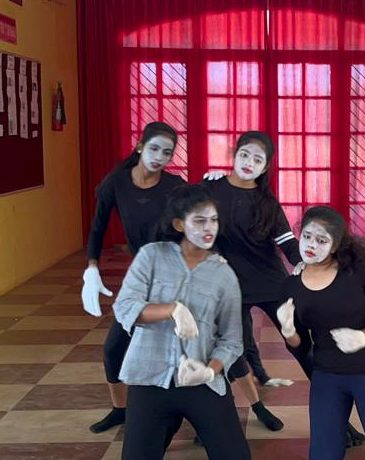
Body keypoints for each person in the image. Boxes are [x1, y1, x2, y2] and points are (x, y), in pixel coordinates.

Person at [113, 184, 250, 460]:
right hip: (149, 379)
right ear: (179, 224)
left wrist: (209, 372)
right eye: (199, 221)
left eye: (213, 220)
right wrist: (172, 309)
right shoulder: (152, 256)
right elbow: (124, 307)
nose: (208, 228)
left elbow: (232, 340)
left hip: (201, 382)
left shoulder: (224, 275)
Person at [277, 206, 365, 460]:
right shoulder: (291, 286)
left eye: (321, 241)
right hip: (327, 374)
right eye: (307, 236)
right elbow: (302, 347)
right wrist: (289, 332)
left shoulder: (360, 272)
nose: (311, 245)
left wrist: (364, 336)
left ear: (335, 246)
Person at [81, 122, 185, 433]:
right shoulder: (117, 183)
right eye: (154, 149)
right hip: (141, 277)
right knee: (114, 348)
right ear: (140, 146)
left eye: (166, 153)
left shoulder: (175, 186)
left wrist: (215, 183)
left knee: (183, 348)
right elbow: (98, 226)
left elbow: (199, 215)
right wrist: (91, 267)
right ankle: (120, 409)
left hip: (175, 274)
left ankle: (197, 414)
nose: (159, 157)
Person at [200, 131, 306, 432]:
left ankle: (338, 413)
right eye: (244, 154)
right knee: (232, 348)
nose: (249, 162)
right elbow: (184, 211)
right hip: (229, 285)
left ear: (265, 167)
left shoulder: (266, 202)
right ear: (234, 155)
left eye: (258, 159)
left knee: (301, 342)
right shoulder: (211, 189)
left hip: (271, 282)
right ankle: (258, 406)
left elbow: (287, 243)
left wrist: (304, 262)